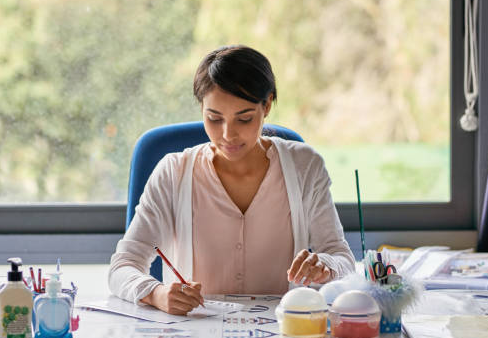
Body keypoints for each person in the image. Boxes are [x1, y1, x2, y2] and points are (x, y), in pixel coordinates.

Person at [109, 45, 355, 315]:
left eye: (244, 119)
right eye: (214, 118)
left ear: (267, 105)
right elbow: (123, 266)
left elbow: (342, 257)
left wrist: (325, 266)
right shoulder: (173, 173)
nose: (228, 135)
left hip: (282, 329)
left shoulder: (304, 166)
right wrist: (155, 293)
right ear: (202, 108)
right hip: (194, 332)